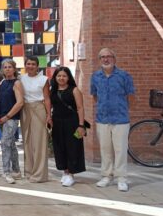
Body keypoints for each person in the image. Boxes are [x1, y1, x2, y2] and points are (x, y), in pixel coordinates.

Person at [90, 48, 135, 192]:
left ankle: (121, 178)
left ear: (114, 59)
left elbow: (131, 96)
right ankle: (106, 176)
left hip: (120, 119)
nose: (106, 59)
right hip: (102, 119)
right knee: (105, 149)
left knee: (120, 150)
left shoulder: (124, 76)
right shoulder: (95, 76)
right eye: (102, 57)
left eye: (109, 56)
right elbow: (95, 95)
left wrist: (123, 109)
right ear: (99, 59)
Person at [49, 66, 87, 187]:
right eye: (59, 76)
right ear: (55, 77)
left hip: (73, 123)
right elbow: (49, 106)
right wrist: (49, 118)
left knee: (73, 148)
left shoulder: (74, 90)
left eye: (64, 76)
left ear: (68, 77)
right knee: (59, 147)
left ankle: (71, 174)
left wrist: (81, 125)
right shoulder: (53, 90)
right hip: (57, 123)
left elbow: (80, 108)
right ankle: (65, 171)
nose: (61, 78)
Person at [20, 56, 51, 183]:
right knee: (27, 142)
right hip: (24, 109)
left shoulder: (43, 79)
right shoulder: (21, 78)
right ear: (25, 65)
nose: (30, 66)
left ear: (37, 66)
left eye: (33, 64)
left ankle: (39, 175)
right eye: (28, 64)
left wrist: (49, 115)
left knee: (39, 143)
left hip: (39, 108)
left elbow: (47, 98)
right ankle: (29, 172)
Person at [0, 59, 25, 184]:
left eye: (10, 67)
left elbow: (20, 103)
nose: (7, 69)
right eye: (5, 67)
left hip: (11, 118)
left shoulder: (17, 83)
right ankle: (17, 171)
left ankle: (6, 172)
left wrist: (7, 116)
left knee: (5, 143)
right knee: (11, 144)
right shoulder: (2, 83)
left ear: (14, 69)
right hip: (1, 118)